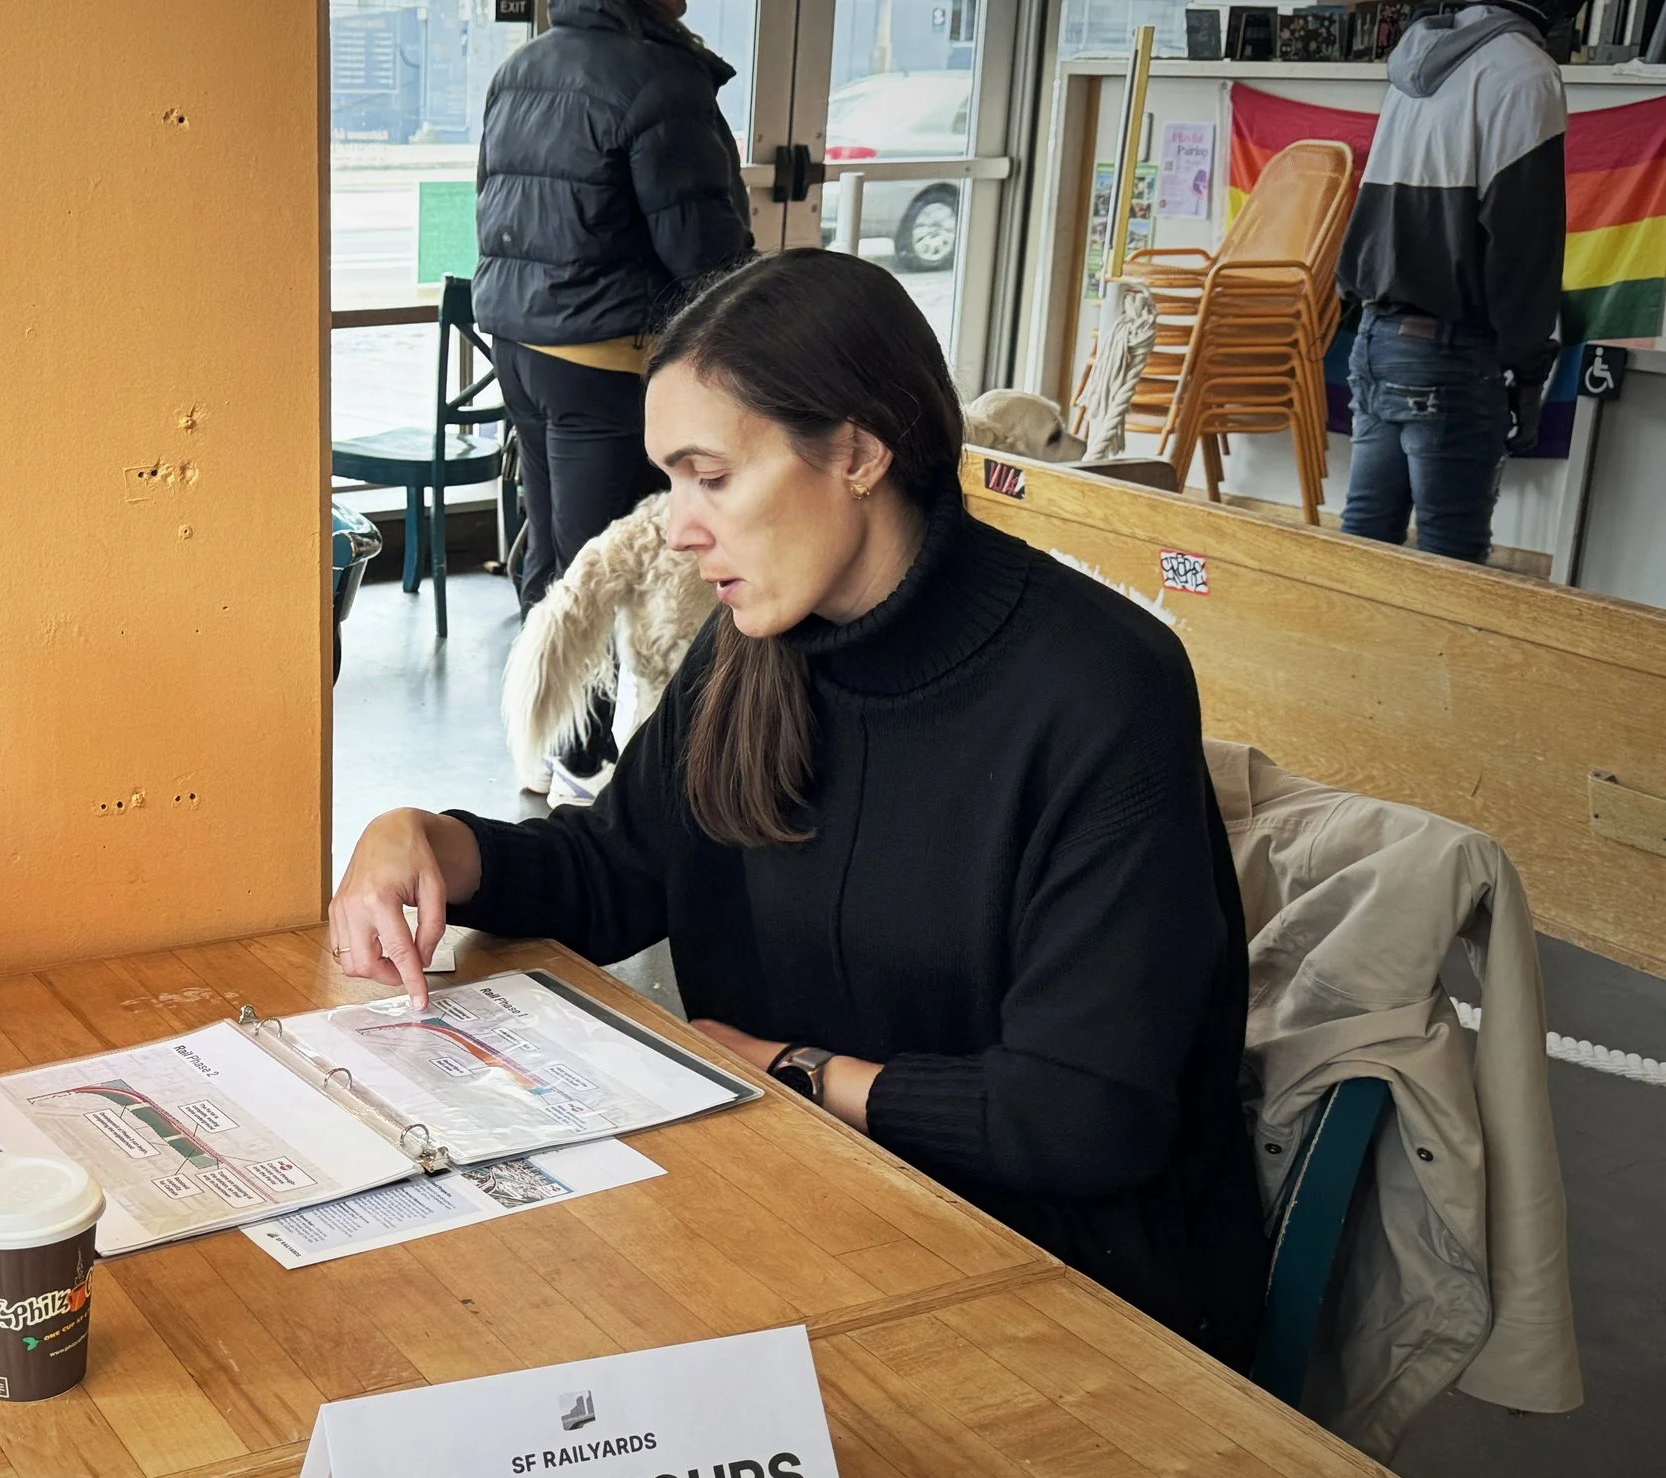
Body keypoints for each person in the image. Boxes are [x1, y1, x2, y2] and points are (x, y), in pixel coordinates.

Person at [332, 250, 1270, 1364]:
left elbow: (1080, 1117)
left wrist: (795, 1073)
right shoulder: (755, 648)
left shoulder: (1099, 687)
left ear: (861, 449)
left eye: (710, 477)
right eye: (669, 481)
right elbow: (618, 867)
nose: (677, 528)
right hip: (799, 1208)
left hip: (1060, 1288)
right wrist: (433, 842)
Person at [476, 0, 753, 801]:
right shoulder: (659, 78)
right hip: (608, 359)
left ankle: (539, 739)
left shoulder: (521, 67)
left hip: (523, 347)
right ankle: (586, 757)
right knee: (600, 563)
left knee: (552, 553)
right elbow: (705, 251)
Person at [1336, 0, 1565, 563]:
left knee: (1364, 549)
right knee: (1454, 565)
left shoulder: (1414, 63)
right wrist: (1529, 372)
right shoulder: (1526, 72)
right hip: (1449, 352)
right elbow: (1524, 247)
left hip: (1375, 340)